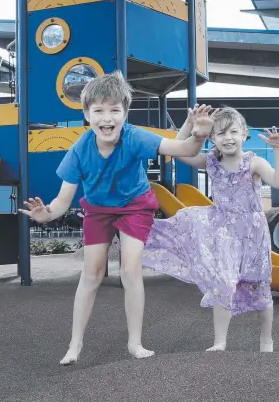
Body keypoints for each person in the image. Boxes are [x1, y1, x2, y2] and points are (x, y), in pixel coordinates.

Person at [18, 71, 218, 365]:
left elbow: (183, 149)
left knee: (129, 269)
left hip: (135, 206)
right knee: (92, 274)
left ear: (125, 112)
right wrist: (45, 214)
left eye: (114, 110)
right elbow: (62, 202)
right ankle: (74, 345)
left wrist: (199, 134)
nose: (106, 117)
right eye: (98, 110)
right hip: (98, 209)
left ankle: (135, 343)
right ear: (87, 114)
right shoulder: (79, 151)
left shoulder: (134, 136)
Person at [142, 105, 279, 353]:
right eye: (220, 133)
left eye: (233, 132)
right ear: (212, 138)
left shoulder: (252, 162)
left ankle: (266, 340)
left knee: (259, 284)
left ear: (244, 134)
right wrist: (189, 125)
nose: (227, 138)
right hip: (223, 231)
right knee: (224, 281)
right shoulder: (210, 160)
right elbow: (179, 152)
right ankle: (219, 341)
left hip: (252, 234)